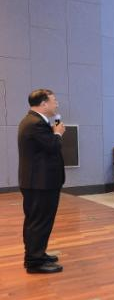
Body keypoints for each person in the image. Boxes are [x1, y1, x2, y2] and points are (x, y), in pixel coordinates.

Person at [18, 89, 66, 274]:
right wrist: (58, 133)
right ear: (44, 104)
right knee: (39, 222)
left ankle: (37, 254)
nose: (57, 104)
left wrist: (53, 133)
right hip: (40, 183)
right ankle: (34, 262)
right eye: (54, 100)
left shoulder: (33, 121)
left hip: (39, 182)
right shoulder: (35, 123)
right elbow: (53, 146)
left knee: (38, 221)